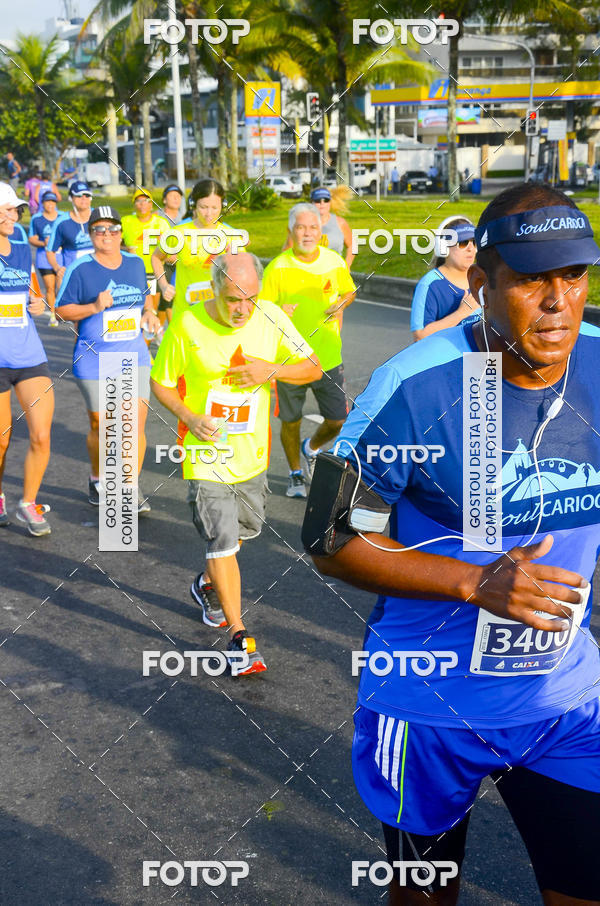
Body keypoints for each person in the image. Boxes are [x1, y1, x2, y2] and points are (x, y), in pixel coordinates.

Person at [309, 183, 600, 905]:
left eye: (574, 275)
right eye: (532, 279)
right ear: (482, 281)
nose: (558, 300)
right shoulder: (412, 385)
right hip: (429, 702)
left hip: (562, 701)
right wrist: (474, 583)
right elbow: (327, 535)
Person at [150, 252, 320, 674]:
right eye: (232, 300)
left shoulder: (272, 317)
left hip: (252, 457)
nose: (243, 308)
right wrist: (190, 418)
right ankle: (239, 637)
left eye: (250, 298)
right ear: (214, 290)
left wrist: (271, 370)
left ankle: (206, 583)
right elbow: (161, 381)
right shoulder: (188, 324)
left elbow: (314, 367)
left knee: (246, 531)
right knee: (222, 540)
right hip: (205, 456)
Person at [55, 205, 161, 511]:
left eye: (113, 229)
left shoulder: (135, 262)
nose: (107, 235)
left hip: (133, 355)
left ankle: (129, 487)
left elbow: (147, 292)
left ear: (120, 233)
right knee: (101, 425)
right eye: (99, 229)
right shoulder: (80, 268)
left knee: (133, 425)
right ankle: (97, 477)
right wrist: (93, 307)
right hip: (94, 358)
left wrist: (151, 311)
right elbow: (61, 310)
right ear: (91, 235)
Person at [262, 202, 356, 498]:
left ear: (321, 231)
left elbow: (349, 291)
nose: (307, 233)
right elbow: (260, 310)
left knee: (338, 420)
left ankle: (312, 448)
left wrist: (341, 303)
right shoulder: (278, 267)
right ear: (290, 231)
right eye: (300, 227)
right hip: (290, 360)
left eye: (313, 227)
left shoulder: (333, 261)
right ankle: (294, 474)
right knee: (290, 421)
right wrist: (277, 310)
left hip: (328, 356)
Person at [0, 182, 54, 536]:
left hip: (29, 352)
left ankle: (28, 503)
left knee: (40, 435)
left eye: (15, 209)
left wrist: (38, 303)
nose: (13, 215)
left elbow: (31, 291)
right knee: (2, 439)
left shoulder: (21, 244)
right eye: (6, 209)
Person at [151, 178, 243, 320]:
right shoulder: (178, 233)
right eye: (203, 207)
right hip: (185, 312)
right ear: (193, 205)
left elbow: (243, 275)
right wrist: (163, 285)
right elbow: (156, 257)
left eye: (214, 208)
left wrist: (234, 260)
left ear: (223, 206)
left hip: (219, 313)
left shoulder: (231, 236)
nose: (209, 214)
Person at [410, 216, 479, 341]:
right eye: (463, 243)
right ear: (443, 247)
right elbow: (420, 337)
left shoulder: (483, 279)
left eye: (474, 242)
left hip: (479, 358)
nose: (471, 248)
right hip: (446, 358)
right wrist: (461, 313)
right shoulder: (430, 284)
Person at [282, 186, 355, 269]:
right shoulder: (302, 224)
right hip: (309, 273)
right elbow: (287, 250)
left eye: (326, 200)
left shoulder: (340, 223)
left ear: (330, 202)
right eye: (318, 200)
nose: (322, 203)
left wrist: (347, 265)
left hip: (334, 272)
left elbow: (353, 245)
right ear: (311, 203)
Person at [121, 188, 169, 307]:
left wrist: (163, 243)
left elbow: (172, 249)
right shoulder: (125, 221)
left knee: (152, 309)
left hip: (153, 272)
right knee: (133, 307)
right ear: (134, 205)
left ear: (151, 204)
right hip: (131, 272)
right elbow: (114, 243)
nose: (142, 204)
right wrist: (126, 249)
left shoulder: (161, 223)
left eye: (145, 200)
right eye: (138, 201)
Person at [46, 180, 94, 285]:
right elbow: (50, 251)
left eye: (87, 195)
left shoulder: (99, 217)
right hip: (73, 277)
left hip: (97, 274)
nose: (83, 198)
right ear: (71, 198)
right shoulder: (61, 222)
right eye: (79, 195)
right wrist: (57, 268)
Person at [29, 191, 65, 326]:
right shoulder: (36, 218)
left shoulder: (63, 217)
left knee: (61, 287)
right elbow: (32, 238)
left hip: (62, 258)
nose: (50, 204)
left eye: (53, 202)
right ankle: (53, 315)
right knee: (50, 288)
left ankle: (63, 310)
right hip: (44, 258)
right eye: (47, 201)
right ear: (43, 203)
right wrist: (43, 243)